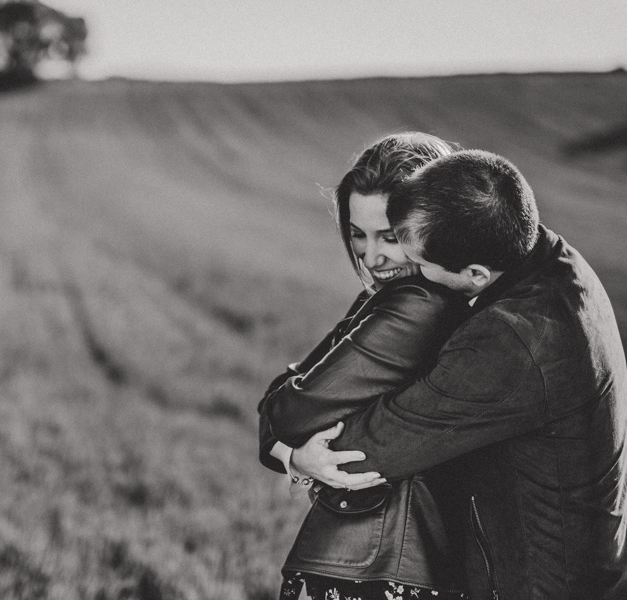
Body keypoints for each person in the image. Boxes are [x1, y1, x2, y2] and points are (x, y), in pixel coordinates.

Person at [265, 150, 627, 599]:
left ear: (475, 274)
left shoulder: (509, 340)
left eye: (414, 257)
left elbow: (371, 447)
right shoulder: (550, 258)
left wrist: (293, 451)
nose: (401, 269)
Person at [258, 133, 471, 600]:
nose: (371, 258)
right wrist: (295, 457)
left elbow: (289, 411)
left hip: (379, 564)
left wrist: (289, 444)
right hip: (376, 558)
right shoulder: (384, 298)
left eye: (390, 237)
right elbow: (281, 403)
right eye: (358, 234)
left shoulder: (421, 303)